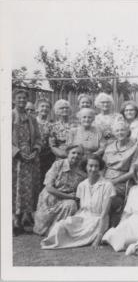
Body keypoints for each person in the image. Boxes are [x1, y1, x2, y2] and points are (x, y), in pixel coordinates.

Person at [41, 154, 115, 249]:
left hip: (97, 221)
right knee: (60, 226)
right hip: (82, 217)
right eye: (90, 166)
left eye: (96, 166)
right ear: (85, 167)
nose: (93, 169)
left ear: (100, 167)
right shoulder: (82, 185)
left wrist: (98, 238)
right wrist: (74, 221)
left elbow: (104, 214)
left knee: (74, 239)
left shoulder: (107, 185)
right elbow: (81, 209)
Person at [33, 145, 86, 236]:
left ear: (82, 157)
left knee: (71, 204)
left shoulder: (82, 172)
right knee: (40, 230)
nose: (76, 156)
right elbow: (49, 187)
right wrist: (69, 196)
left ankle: (56, 230)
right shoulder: (58, 164)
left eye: (79, 154)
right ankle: (45, 227)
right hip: (51, 196)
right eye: (73, 153)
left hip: (66, 200)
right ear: (68, 154)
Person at [12, 89, 42, 235]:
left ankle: (25, 217)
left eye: (24, 98)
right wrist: (18, 153)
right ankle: (14, 219)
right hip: (16, 160)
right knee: (15, 188)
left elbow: (38, 138)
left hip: (30, 159)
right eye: (19, 98)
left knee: (28, 190)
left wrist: (35, 151)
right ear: (13, 100)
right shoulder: (9, 116)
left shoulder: (32, 119)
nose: (22, 101)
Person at [103, 121, 138, 226]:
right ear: (113, 133)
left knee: (107, 192)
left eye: (122, 130)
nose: (120, 133)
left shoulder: (134, 147)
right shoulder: (109, 147)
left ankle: (107, 225)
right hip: (106, 179)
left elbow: (132, 172)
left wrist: (114, 181)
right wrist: (101, 180)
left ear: (127, 131)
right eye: (117, 130)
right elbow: (103, 167)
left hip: (123, 181)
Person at [35, 98, 55, 202]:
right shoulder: (32, 122)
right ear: (37, 108)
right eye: (42, 106)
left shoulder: (51, 125)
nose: (45, 108)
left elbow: (52, 141)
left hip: (47, 157)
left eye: (47, 107)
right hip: (33, 156)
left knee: (44, 180)